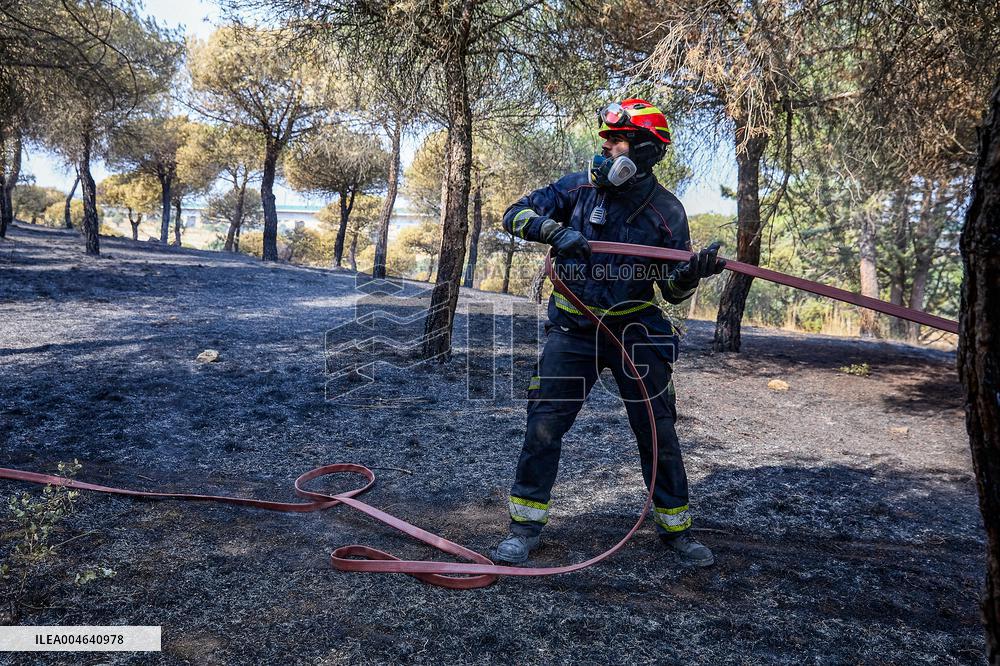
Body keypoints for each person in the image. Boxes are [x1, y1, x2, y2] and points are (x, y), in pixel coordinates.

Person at [494, 98, 726, 567]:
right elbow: (513, 214)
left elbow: (673, 292)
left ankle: (675, 529)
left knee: (657, 431)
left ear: (646, 150)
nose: (608, 149)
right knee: (544, 425)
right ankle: (524, 528)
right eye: (606, 140)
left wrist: (691, 274)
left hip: (638, 330)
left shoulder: (667, 212)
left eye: (618, 141)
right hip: (573, 329)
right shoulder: (576, 189)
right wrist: (552, 232)